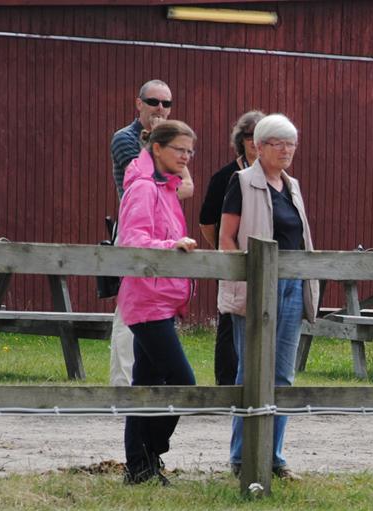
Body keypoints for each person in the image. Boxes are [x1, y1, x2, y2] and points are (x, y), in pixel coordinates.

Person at [218, 113, 319, 481]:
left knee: (282, 375)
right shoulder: (241, 183)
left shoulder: (292, 186)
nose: (287, 150)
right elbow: (227, 238)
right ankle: (242, 458)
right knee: (251, 371)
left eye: (291, 144)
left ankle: (274, 458)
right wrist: (242, 279)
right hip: (256, 286)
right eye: (278, 144)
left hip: (291, 286)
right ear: (259, 147)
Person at [115, 120, 199, 485]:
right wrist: (172, 246)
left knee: (145, 383)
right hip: (146, 300)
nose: (185, 157)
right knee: (183, 381)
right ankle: (151, 453)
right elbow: (131, 241)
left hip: (162, 299)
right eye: (180, 149)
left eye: (190, 151)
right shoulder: (144, 189)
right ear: (158, 148)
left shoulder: (166, 188)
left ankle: (140, 467)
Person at [108, 79, 194, 388]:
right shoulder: (126, 140)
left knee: (147, 371)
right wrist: (159, 140)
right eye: (154, 101)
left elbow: (186, 188)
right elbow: (144, 175)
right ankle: (122, 387)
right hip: (137, 240)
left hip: (162, 252)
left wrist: (171, 140)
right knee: (129, 317)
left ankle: (142, 431)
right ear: (139, 103)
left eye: (166, 103)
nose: (160, 108)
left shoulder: (168, 158)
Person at [200, 110, 264, 386]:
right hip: (232, 258)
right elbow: (206, 221)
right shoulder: (225, 176)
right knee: (228, 321)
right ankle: (225, 384)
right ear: (242, 140)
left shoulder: (276, 176)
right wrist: (223, 249)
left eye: (260, 136)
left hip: (265, 260)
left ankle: (254, 383)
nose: (254, 141)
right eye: (249, 136)